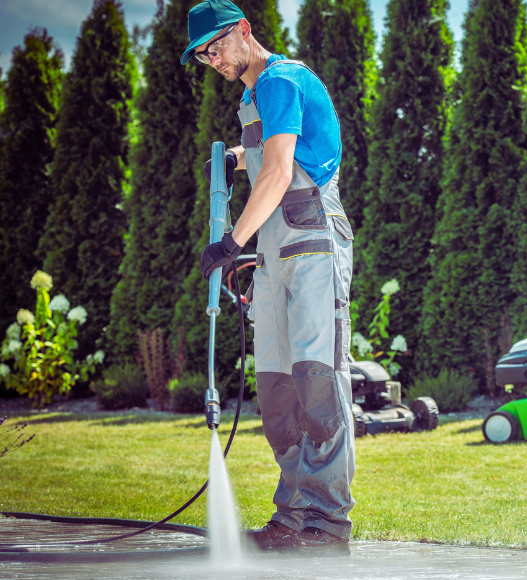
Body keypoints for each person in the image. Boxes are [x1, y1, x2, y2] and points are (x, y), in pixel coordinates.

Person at [180, 0, 355, 550]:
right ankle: (293, 517)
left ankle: (327, 524)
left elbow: (281, 171)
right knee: (278, 386)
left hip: (312, 239)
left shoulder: (282, 79)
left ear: (243, 30)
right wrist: (234, 156)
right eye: (202, 54)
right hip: (278, 252)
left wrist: (233, 242)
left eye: (215, 46)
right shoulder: (252, 97)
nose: (211, 59)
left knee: (317, 379)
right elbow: (267, 154)